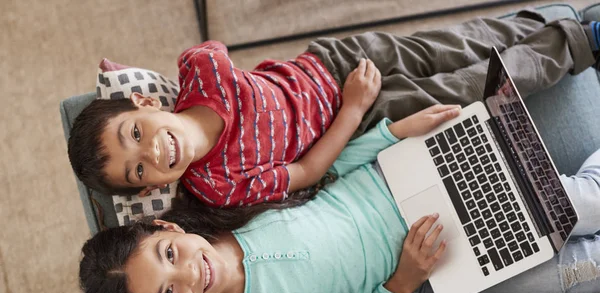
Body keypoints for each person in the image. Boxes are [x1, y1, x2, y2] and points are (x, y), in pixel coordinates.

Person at [79, 104, 600, 293]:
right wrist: (403, 282)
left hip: (400, 179)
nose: (191, 275)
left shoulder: (227, 208)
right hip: (428, 270)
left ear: (170, 230)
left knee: (580, 204)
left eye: (169, 256)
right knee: (583, 275)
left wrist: (392, 133)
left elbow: (323, 177)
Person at [68, 10, 600, 209]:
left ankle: (571, 23)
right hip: (360, 118)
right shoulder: (217, 185)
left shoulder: (199, 70)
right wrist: (352, 109)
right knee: (472, 86)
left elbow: (224, 64)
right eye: (138, 167)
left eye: (135, 131)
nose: (152, 151)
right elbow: (304, 171)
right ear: (149, 188)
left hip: (337, 60)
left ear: (144, 103)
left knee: (457, 42)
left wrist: (121, 78)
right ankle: (582, 43)